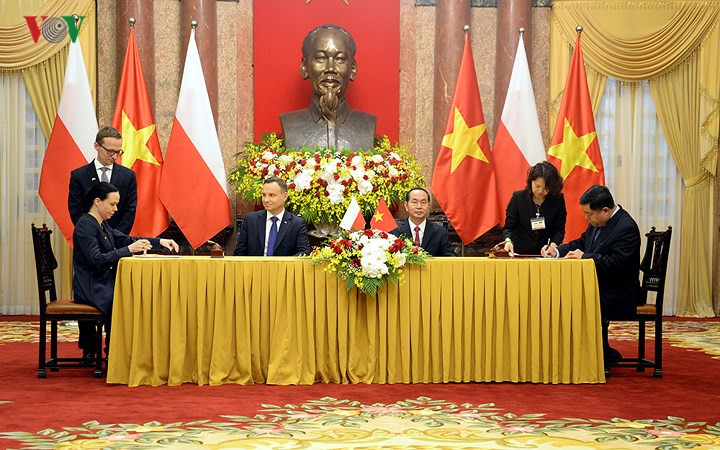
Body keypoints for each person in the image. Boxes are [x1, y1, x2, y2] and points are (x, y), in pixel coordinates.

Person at [72, 182, 178, 360]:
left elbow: (127, 239)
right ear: (97, 201)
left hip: (102, 282)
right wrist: (128, 250)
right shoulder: (85, 225)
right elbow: (96, 259)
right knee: (125, 301)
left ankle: (119, 352)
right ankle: (115, 354)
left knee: (132, 296)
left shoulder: (102, 225)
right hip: (91, 286)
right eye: (112, 204)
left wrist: (159, 242)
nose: (116, 209)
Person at [543, 185, 642, 365]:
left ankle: (599, 353)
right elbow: (582, 242)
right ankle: (593, 351)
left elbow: (619, 263)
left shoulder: (625, 227)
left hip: (620, 291)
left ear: (605, 210)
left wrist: (586, 257)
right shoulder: (600, 222)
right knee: (567, 293)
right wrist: (556, 251)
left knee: (577, 298)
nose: (586, 218)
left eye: (589, 214)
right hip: (603, 285)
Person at [280, 24, 376, 151]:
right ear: (305, 67)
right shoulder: (290, 124)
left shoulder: (367, 125)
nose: (330, 68)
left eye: (340, 59)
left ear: (352, 69)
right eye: (321, 58)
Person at [69, 126, 137, 234]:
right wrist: (92, 234)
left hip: (118, 242)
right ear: (96, 146)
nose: (114, 156)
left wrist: (115, 238)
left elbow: (129, 212)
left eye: (118, 152)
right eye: (110, 151)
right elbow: (76, 210)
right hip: (89, 240)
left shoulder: (128, 176)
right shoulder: (79, 176)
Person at [234, 177, 311, 256]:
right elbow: (239, 253)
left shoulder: (297, 224)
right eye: (264, 195)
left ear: (285, 196)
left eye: (271, 195)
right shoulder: (251, 220)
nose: (266, 200)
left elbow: (303, 252)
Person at [503, 161, 566, 255]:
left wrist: (553, 245)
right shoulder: (518, 198)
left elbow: (559, 230)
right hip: (519, 253)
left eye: (546, 188)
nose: (540, 191)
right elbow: (509, 227)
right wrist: (508, 241)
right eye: (537, 186)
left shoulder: (557, 200)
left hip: (544, 255)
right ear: (531, 181)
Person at [390, 187, 456, 257]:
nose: (419, 207)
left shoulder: (440, 232)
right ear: (406, 206)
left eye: (423, 202)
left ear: (429, 206)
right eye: (414, 202)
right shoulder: (395, 231)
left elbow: (451, 259)